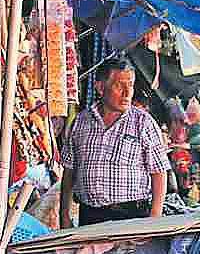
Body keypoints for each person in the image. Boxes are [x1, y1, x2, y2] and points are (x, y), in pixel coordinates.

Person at [60, 59, 171, 227]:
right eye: (120, 86)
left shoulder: (143, 123)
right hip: (89, 217)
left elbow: (159, 172)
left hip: (131, 216)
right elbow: (69, 172)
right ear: (100, 87)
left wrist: (154, 219)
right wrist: (65, 215)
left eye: (131, 85)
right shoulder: (80, 122)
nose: (127, 93)